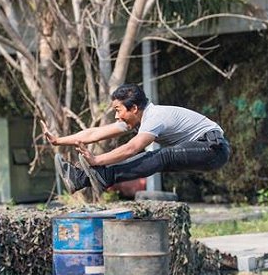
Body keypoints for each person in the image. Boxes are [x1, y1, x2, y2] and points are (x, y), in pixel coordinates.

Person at [42, 83, 230, 194]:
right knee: (160, 158)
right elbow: (94, 133)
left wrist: (97, 160)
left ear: (133, 108)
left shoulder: (154, 117)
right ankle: (81, 179)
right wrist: (58, 140)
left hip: (214, 149)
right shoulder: (137, 118)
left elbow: (132, 148)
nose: (116, 116)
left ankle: (100, 176)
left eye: (118, 110)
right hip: (202, 149)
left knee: (161, 156)